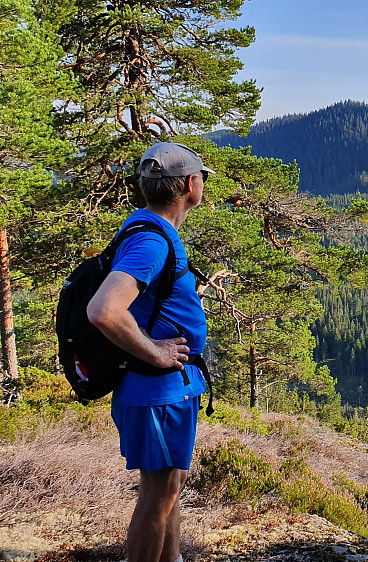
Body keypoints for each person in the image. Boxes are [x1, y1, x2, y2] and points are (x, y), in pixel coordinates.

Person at [87, 142, 210, 562]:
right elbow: (104, 310)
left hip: (168, 389)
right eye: (203, 178)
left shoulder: (150, 230)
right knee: (157, 495)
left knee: (169, 486)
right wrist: (156, 353)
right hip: (156, 392)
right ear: (191, 185)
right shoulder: (152, 242)